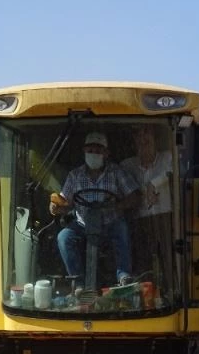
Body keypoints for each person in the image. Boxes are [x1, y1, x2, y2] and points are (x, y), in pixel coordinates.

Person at [49, 132, 139, 288]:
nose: (93, 154)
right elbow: (65, 202)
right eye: (90, 151)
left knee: (122, 228)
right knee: (64, 237)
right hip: (82, 224)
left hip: (110, 222)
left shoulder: (116, 172)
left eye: (98, 151)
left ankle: (124, 275)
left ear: (106, 153)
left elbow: (134, 197)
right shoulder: (74, 175)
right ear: (84, 152)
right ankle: (78, 283)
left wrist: (117, 206)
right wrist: (56, 207)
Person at [121, 124, 174, 290]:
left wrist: (154, 183)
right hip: (139, 222)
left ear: (155, 138)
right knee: (143, 264)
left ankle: (170, 291)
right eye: (139, 135)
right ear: (133, 141)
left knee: (169, 261)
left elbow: (173, 171)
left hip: (166, 219)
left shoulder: (169, 158)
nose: (143, 139)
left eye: (147, 133)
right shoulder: (126, 165)